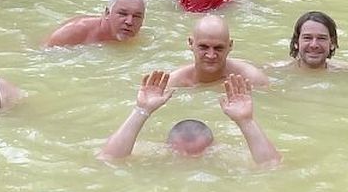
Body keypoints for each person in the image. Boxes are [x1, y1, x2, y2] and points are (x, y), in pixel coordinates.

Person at [98, 71, 280, 168]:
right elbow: (108, 158)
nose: (189, 162)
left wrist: (246, 122)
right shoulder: (159, 153)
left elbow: (271, 166)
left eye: (200, 155)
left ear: (214, 148)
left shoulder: (221, 155)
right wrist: (141, 110)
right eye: (180, 155)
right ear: (167, 147)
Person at [167, 14, 269, 88]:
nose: (211, 55)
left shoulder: (252, 80)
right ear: (190, 44)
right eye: (203, 47)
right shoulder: (173, 82)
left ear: (230, 46)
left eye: (218, 48)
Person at [45, 0, 148, 47]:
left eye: (137, 16)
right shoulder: (73, 32)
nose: (129, 21)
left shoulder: (139, 38)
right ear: (107, 13)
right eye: (123, 14)